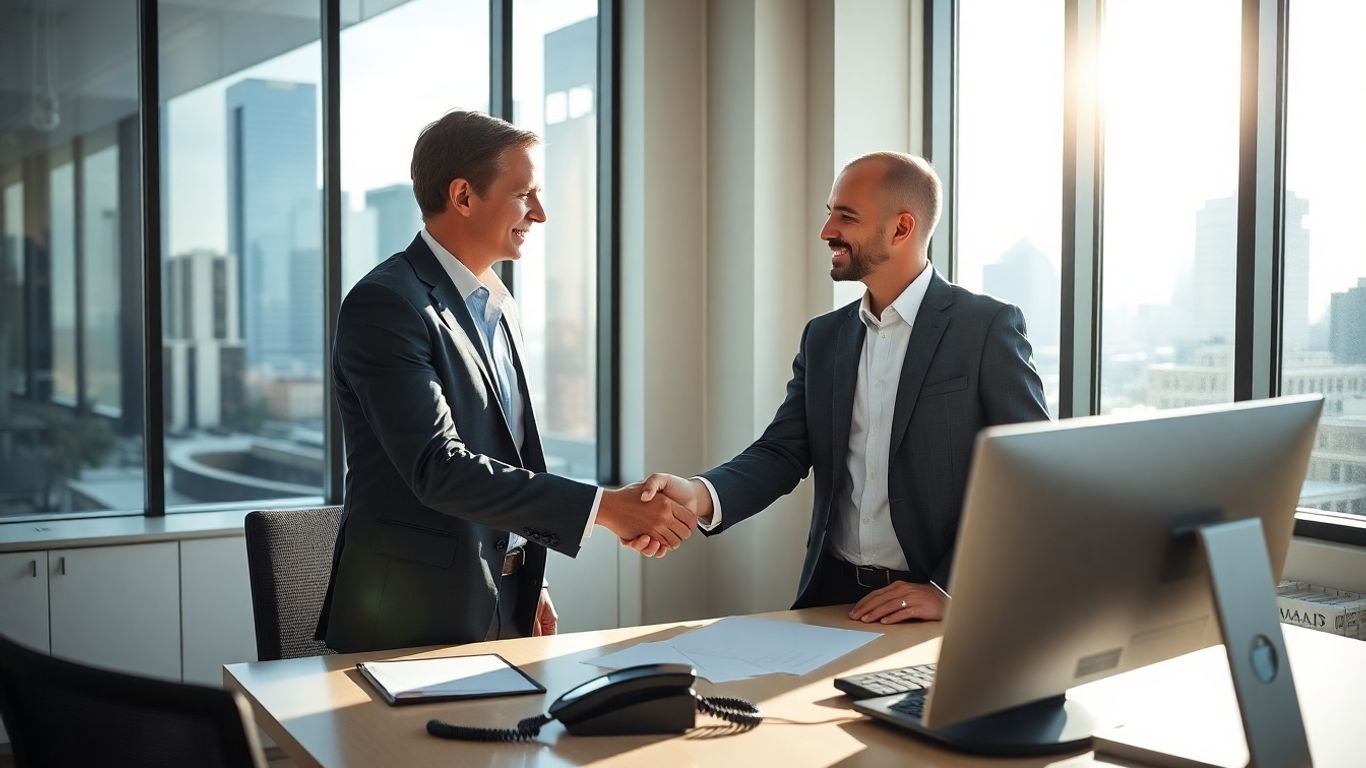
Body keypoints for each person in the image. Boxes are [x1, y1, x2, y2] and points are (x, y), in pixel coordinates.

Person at [316, 111, 694, 653]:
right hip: (410, 615)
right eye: (524, 195)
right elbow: (439, 467)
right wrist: (607, 508)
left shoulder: (497, 303)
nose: (540, 213)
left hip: (505, 594)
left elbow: (506, 453)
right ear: (463, 196)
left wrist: (530, 575)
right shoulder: (387, 304)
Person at [631, 152, 1048, 625]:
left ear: (901, 228)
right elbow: (782, 452)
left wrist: (947, 590)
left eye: (846, 217)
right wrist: (698, 494)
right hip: (831, 596)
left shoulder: (985, 327)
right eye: (830, 213)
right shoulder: (824, 336)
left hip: (933, 607)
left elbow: (1029, 474)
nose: (826, 231)